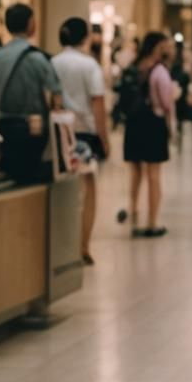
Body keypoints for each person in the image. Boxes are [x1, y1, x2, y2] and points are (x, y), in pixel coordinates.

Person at [52, 17, 110, 265]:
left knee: (64, 188)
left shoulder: (53, 62)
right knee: (89, 189)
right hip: (85, 131)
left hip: (60, 130)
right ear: (85, 37)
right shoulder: (89, 65)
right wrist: (104, 137)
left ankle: (62, 244)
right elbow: (98, 103)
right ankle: (83, 245)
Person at [0, 3, 62, 184]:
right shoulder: (36, 57)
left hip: (2, 127)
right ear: (31, 24)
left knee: (10, 180)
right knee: (31, 180)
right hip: (32, 130)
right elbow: (56, 95)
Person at [117, 32, 172, 237]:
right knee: (154, 174)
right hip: (153, 123)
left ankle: (133, 211)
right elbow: (166, 103)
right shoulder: (159, 70)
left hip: (133, 122)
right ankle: (152, 221)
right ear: (157, 47)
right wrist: (171, 126)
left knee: (135, 171)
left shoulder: (133, 66)